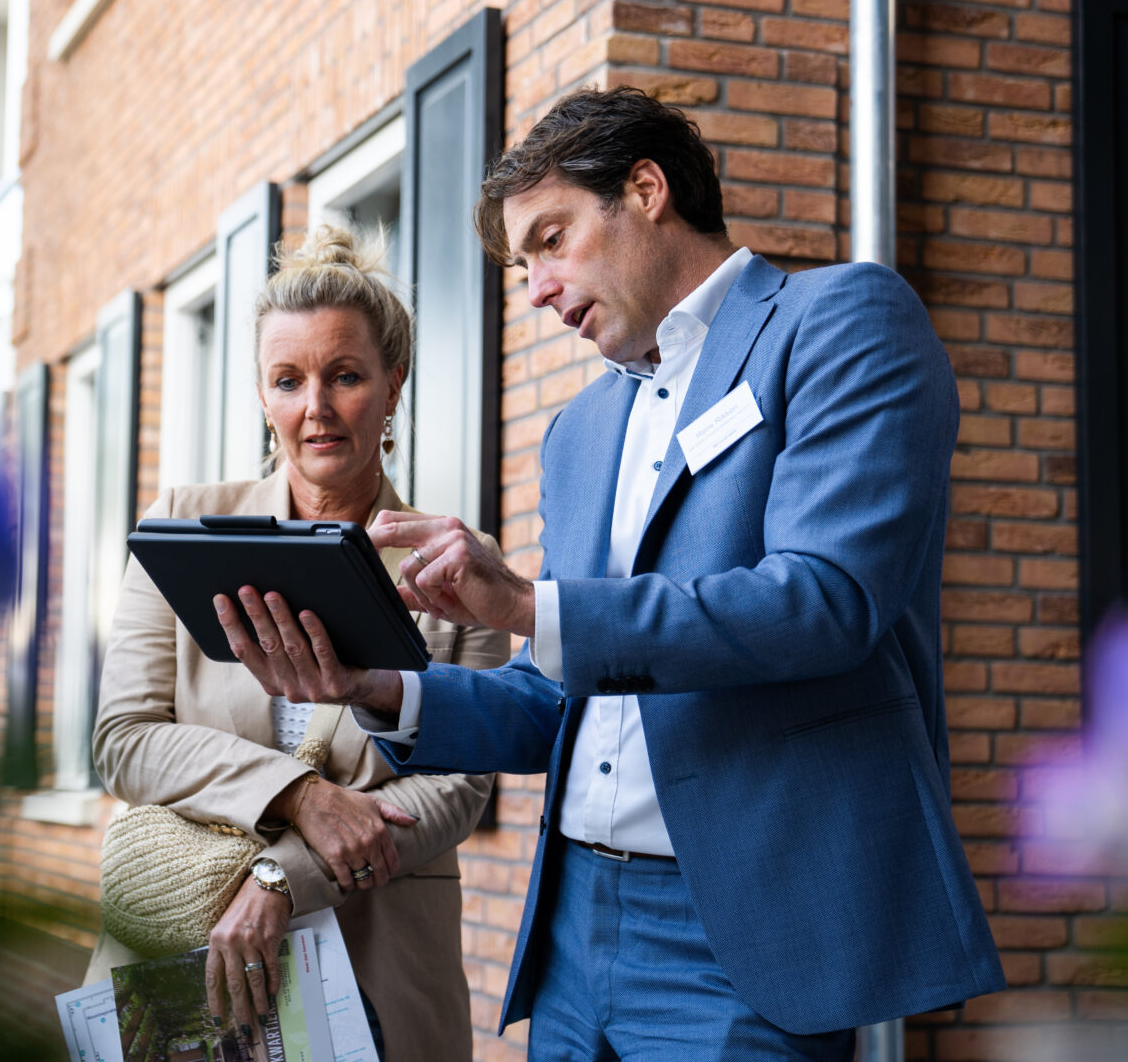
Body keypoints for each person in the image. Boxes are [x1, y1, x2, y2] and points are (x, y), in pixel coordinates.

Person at [219, 87, 1008, 1060]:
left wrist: (519, 602)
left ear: (645, 189)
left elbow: (828, 600)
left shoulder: (840, 321)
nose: (540, 286)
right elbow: (561, 694)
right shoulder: (580, 432)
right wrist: (381, 687)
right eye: (523, 266)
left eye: (551, 239)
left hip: (739, 932)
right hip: (571, 931)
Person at [87, 225, 507, 1061]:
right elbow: (123, 740)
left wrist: (283, 878)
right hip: (187, 972)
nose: (315, 407)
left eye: (345, 376)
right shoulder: (180, 527)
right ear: (262, 392)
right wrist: (298, 796)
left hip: (381, 972)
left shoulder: (457, 565)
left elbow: (461, 785)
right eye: (289, 380)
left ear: (394, 384)